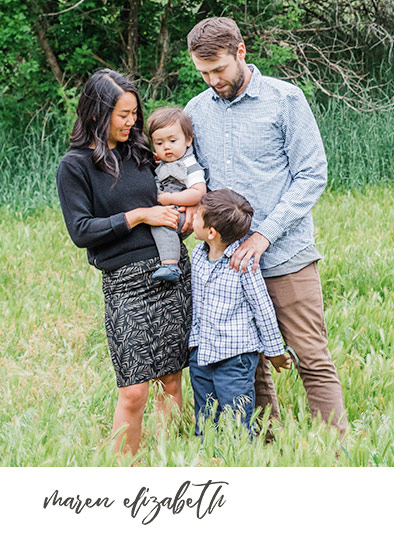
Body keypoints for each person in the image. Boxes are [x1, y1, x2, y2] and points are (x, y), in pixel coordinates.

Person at [183, 17, 349, 436]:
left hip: (285, 255)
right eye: (203, 73)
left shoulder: (284, 99)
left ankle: (336, 450)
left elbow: (312, 174)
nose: (212, 80)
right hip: (227, 267)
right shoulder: (195, 111)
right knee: (247, 363)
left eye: (218, 69)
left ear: (241, 53)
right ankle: (267, 449)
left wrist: (263, 234)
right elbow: (191, 177)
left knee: (311, 356)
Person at [56, 69, 190, 457]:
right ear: (97, 114)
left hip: (173, 272)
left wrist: (184, 220)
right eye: (123, 115)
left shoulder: (142, 152)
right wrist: (138, 216)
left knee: (171, 380)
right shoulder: (76, 165)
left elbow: (174, 194)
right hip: (126, 282)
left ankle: (169, 461)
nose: (133, 123)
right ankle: (124, 471)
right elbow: (81, 230)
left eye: (135, 114)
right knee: (134, 390)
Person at [188, 189, 287, 436]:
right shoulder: (198, 256)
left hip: (235, 358)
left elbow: (262, 308)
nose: (191, 220)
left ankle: (241, 461)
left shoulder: (243, 263)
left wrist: (275, 352)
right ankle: (209, 461)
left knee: (237, 420)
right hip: (202, 353)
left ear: (211, 232)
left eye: (197, 217)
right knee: (206, 419)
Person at [145, 107, 207, 282]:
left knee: (162, 224)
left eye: (172, 140)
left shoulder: (189, 164)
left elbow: (198, 192)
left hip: (181, 211)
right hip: (169, 208)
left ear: (188, 140)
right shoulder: (163, 162)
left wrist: (170, 199)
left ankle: (170, 265)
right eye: (159, 143)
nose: (167, 147)